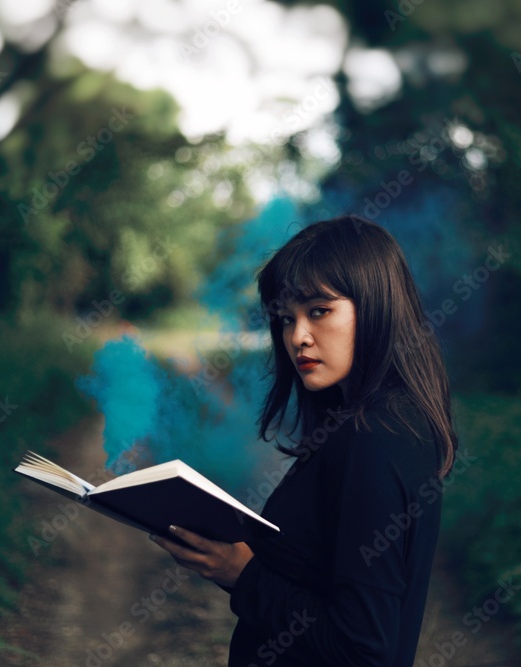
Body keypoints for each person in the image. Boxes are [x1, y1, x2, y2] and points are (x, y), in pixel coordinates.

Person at [149, 213, 459, 666]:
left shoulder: (376, 440)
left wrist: (244, 574)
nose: (298, 336)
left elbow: (363, 649)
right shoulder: (373, 423)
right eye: (285, 318)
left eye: (319, 311)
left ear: (376, 306)